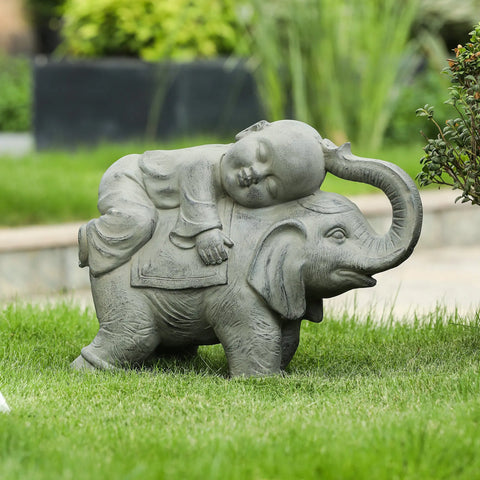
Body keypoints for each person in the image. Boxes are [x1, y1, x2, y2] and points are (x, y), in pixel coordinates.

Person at [79, 119, 326, 276]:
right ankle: (91, 240)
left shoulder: (233, 178)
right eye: (261, 154)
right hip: (132, 177)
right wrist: (206, 231)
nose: (256, 174)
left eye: (271, 187)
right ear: (250, 130)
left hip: (147, 187)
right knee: (139, 220)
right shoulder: (206, 162)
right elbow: (196, 183)